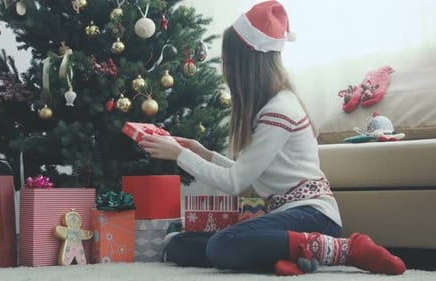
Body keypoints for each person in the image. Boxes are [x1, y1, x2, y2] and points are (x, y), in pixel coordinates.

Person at [139, 0, 406, 276]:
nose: (226, 72)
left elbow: (235, 183)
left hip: (314, 217)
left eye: (229, 62)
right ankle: (290, 256)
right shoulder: (271, 106)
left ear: (245, 64)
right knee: (180, 246)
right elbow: (249, 174)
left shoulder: (278, 110)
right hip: (286, 217)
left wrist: (180, 155)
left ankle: (345, 249)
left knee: (221, 247)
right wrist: (201, 151)